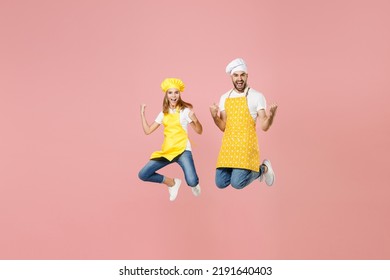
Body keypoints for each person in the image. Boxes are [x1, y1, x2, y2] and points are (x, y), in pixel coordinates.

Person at [209, 58, 278, 190]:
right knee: (221, 183)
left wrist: (272, 115)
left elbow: (264, 126)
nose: (239, 79)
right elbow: (223, 126)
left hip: (246, 145)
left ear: (247, 76)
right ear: (231, 77)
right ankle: (258, 170)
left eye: (242, 75)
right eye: (236, 75)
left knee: (237, 183)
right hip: (229, 146)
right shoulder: (225, 97)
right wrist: (214, 116)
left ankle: (264, 169)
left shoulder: (257, 96)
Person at [138, 78, 203, 201]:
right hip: (168, 151)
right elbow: (148, 131)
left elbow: (199, 131)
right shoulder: (163, 113)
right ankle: (172, 183)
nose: (173, 95)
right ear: (166, 95)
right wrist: (142, 114)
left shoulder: (185, 111)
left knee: (192, 181)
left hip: (183, 150)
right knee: (143, 174)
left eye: (176, 92)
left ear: (179, 94)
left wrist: (194, 119)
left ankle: (194, 184)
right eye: (170, 92)